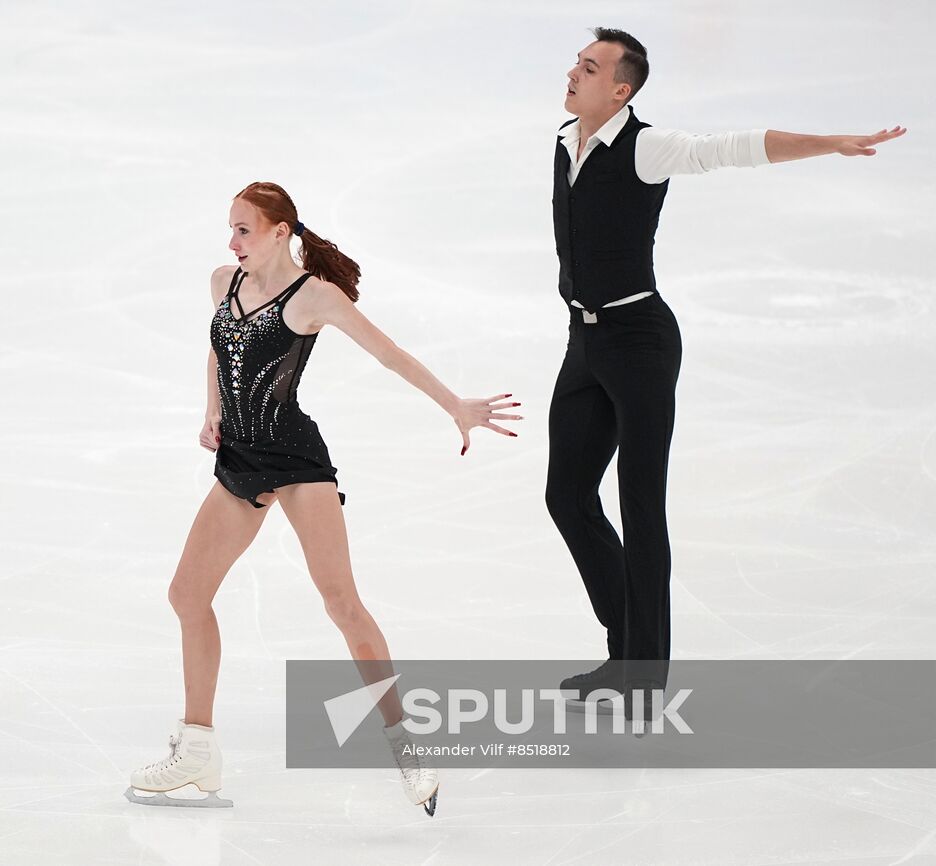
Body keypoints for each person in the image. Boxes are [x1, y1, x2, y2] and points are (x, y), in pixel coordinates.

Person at [125, 181, 522, 814]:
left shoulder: (314, 298)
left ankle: (405, 744)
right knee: (186, 594)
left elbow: (389, 354)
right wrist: (211, 408)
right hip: (240, 462)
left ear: (281, 231)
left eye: (245, 229)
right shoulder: (223, 282)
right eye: (230, 229)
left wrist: (455, 405)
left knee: (342, 603)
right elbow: (218, 345)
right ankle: (197, 751)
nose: (233, 242)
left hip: (297, 461)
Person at [547, 28, 905, 707]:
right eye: (577, 62)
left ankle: (642, 680)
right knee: (567, 495)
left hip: (640, 342)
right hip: (584, 342)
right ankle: (626, 646)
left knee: (640, 508)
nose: (573, 72)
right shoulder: (567, 140)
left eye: (589, 67)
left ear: (620, 89)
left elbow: (736, 148)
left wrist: (829, 142)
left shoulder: (645, 147)